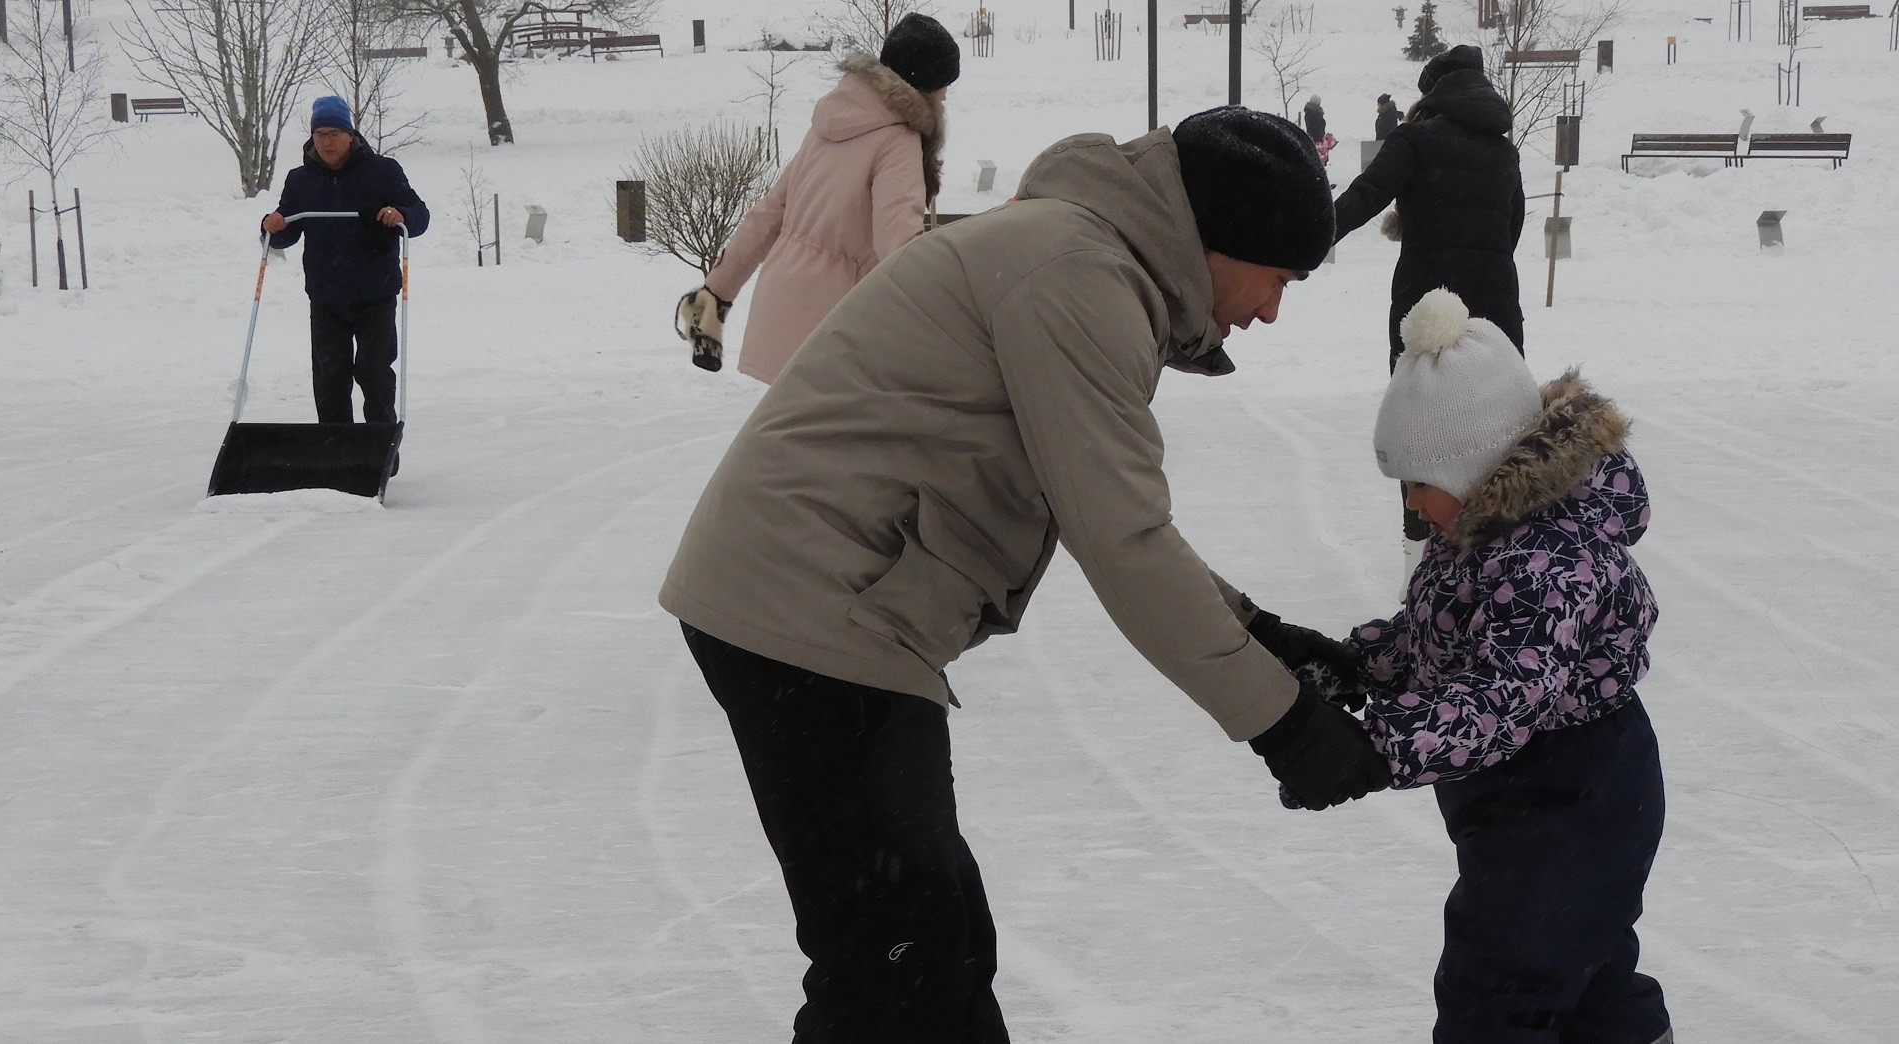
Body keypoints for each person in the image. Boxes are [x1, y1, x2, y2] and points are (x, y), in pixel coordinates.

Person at [660, 106, 1389, 1041]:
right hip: (810, 611)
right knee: (896, 961)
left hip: (825, 606)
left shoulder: (1084, 257)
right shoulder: (1078, 276)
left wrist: (1262, 636)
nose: (1271, 309)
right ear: (1225, 239)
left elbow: (1114, 510)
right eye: (1279, 277)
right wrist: (1282, 722)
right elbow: (1121, 538)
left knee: (935, 947)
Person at [1299, 288, 1672, 1044]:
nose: (1410, 503)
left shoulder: (1551, 559)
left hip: (1573, 796)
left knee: (1498, 991)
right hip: (1530, 799)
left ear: (1472, 464)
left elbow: (1503, 698)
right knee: (1585, 971)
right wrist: (1354, 664)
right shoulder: (1483, 533)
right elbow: (1439, 641)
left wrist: (1378, 749)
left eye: (1417, 482)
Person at [674, 13, 958, 381]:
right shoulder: (898, 141)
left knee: (798, 435)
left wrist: (716, 293)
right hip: (837, 328)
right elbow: (898, 248)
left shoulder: (829, 126)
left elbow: (768, 213)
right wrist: (948, 313)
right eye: (945, 83)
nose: (947, 93)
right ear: (926, 82)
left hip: (780, 308)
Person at [1330, 44, 1525, 558]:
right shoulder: (1503, 151)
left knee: (1421, 420)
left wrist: (1311, 234)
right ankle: (1495, 546)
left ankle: (1421, 548)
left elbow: (1367, 193)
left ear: (1432, 94)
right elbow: (1512, 230)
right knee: (1496, 421)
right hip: (1497, 304)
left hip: (1427, 300)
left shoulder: (1415, 138)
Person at [260, 96, 429, 430]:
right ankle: (335, 448)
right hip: (325, 298)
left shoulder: (383, 171)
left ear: (350, 134)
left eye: (334, 133)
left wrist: (401, 215)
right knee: (330, 377)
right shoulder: (300, 179)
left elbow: (419, 216)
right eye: (320, 133)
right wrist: (272, 225)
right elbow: (284, 234)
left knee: (374, 373)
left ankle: (379, 445)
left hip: (375, 294)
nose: (327, 141)